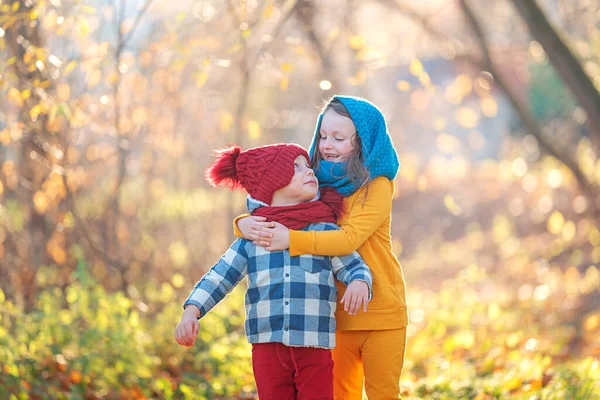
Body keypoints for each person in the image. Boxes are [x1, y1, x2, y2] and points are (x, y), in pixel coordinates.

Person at [235, 96, 408, 399]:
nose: (327, 144)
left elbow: (347, 239)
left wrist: (293, 240)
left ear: (363, 143)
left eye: (339, 138)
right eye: (323, 135)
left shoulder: (377, 185)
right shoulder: (316, 184)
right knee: (342, 395)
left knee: (383, 393)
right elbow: (278, 208)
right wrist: (242, 224)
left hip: (381, 313)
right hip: (333, 316)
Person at [175, 143, 373, 400]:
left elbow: (354, 265)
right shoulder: (254, 235)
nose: (309, 171)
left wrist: (359, 281)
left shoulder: (323, 231)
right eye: (296, 167)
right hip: (267, 346)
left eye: (307, 165)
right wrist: (192, 311)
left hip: (313, 343)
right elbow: (220, 275)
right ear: (273, 183)